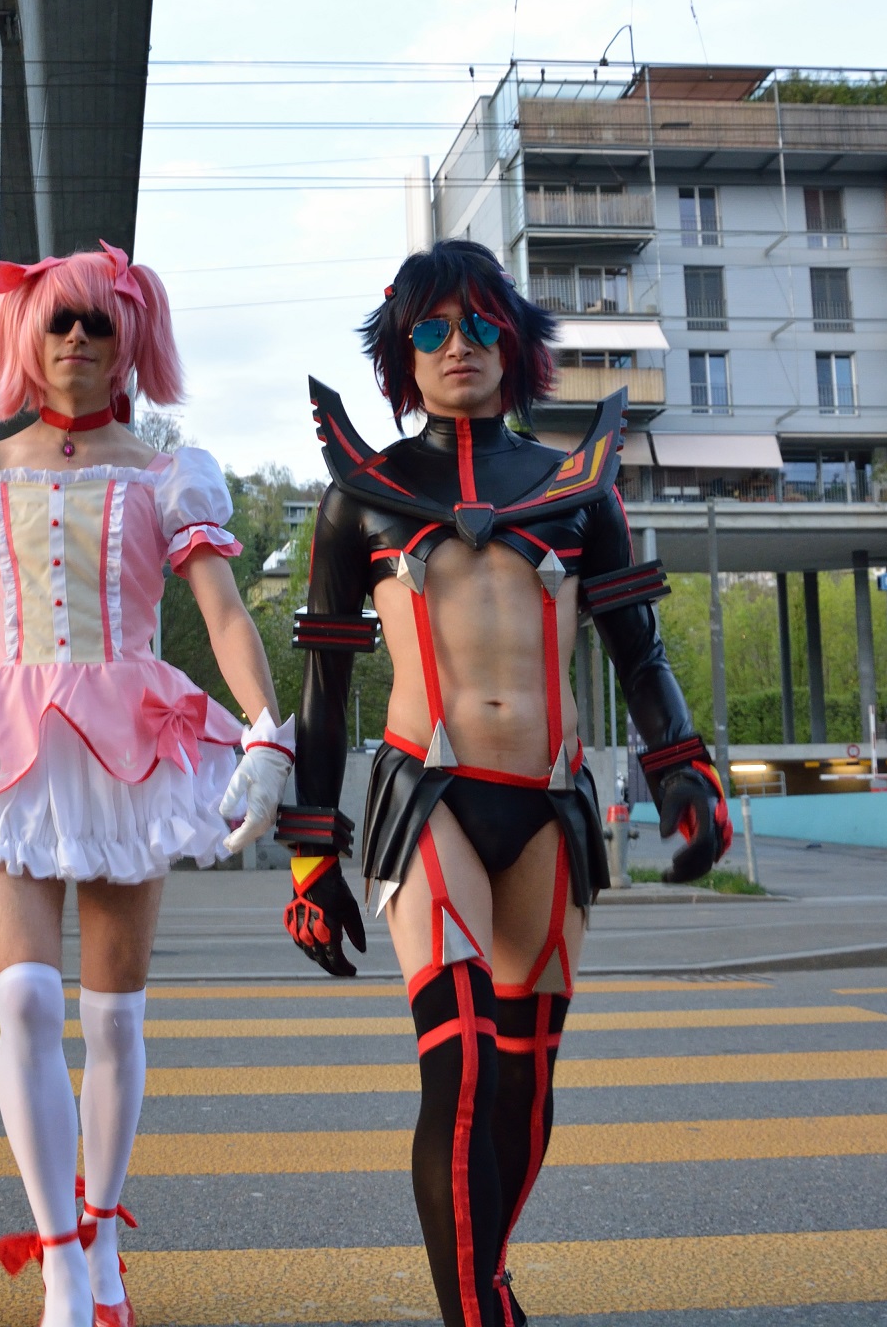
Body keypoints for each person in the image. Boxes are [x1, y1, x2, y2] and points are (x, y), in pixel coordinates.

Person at [272, 238, 732, 1327]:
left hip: (550, 805)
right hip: (426, 797)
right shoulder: (362, 496)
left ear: (515, 342)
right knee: (464, 1067)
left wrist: (685, 773)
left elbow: (638, 649)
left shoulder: (580, 487)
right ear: (401, 353)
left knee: (525, 1080)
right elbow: (324, 687)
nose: (458, 346)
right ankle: (475, 1313)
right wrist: (309, 857)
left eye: (481, 324)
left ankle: (486, 1278)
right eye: (433, 329)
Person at [0, 243, 295, 1327]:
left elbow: (223, 611)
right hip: (7, 743)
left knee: (112, 1018)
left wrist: (266, 731)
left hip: (126, 749)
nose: (75, 339)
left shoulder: (167, 473)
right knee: (24, 997)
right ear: (28, 336)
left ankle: (103, 1238)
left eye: (97, 322)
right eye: (57, 321)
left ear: (129, 341)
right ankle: (61, 1262)